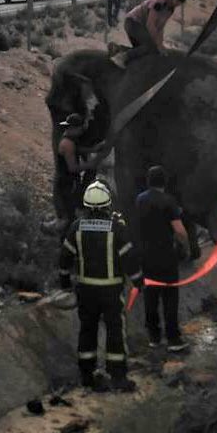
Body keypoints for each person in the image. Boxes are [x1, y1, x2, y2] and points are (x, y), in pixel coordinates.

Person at [58, 180, 143, 392]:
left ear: (86, 205)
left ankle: (87, 374)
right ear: (107, 205)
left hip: (85, 290)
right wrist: (138, 281)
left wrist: (65, 282)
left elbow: (64, 258)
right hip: (111, 291)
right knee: (115, 330)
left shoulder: (76, 227)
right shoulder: (116, 229)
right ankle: (118, 377)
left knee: (87, 330)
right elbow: (129, 259)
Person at [134, 166, 190, 351]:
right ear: (164, 182)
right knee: (169, 297)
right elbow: (180, 231)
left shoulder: (140, 200)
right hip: (166, 256)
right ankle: (173, 339)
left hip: (145, 256)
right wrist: (186, 246)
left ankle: (154, 337)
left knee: (150, 296)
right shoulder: (168, 201)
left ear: (148, 181)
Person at [55, 112, 100, 232]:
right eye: (80, 129)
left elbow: (77, 149)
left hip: (67, 181)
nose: (81, 132)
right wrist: (89, 165)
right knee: (70, 215)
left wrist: (93, 149)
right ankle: (66, 238)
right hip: (67, 182)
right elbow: (73, 168)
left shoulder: (68, 138)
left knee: (71, 211)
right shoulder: (68, 144)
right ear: (75, 128)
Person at [123, 0, 188, 63]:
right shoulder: (158, 2)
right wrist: (156, 44)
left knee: (141, 50)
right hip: (133, 22)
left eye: (180, 2)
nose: (178, 4)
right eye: (177, 0)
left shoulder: (170, 9)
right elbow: (150, 24)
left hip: (140, 26)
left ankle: (118, 49)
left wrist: (160, 44)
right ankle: (122, 57)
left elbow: (160, 28)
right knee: (150, 46)